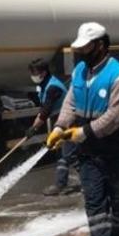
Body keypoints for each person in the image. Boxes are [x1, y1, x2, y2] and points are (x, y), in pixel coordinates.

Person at [50, 22, 119, 236]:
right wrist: (59, 127)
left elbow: (115, 116)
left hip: (117, 147)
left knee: (118, 198)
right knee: (94, 197)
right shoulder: (80, 70)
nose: (81, 52)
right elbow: (70, 101)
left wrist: (83, 132)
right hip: (89, 148)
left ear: (100, 45)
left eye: (86, 47)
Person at [29, 57, 80, 197]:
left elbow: (45, 112)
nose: (33, 76)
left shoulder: (53, 87)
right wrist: (33, 127)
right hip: (57, 120)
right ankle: (64, 183)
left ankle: (64, 184)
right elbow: (42, 110)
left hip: (68, 120)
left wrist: (33, 129)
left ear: (43, 73)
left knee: (68, 153)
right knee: (63, 153)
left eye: (35, 72)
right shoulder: (43, 85)